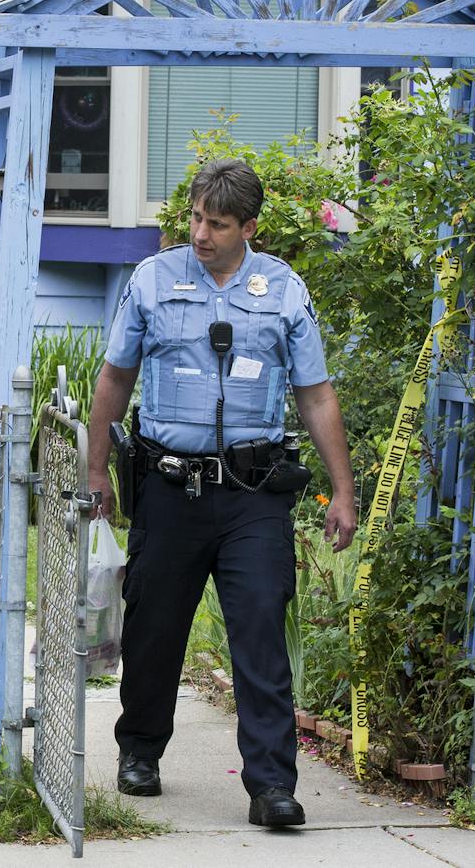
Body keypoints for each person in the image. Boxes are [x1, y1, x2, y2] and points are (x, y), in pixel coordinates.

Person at [85, 158, 357, 829]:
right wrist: (96, 471)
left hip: (253, 491)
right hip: (169, 486)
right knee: (153, 624)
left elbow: (316, 393)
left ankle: (270, 786)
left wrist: (343, 490)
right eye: (197, 217)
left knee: (262, 625)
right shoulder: (153, 280)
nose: (201, 233)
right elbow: (114, 378)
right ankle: (140, 750)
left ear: (249, 228)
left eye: (218, 223)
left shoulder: (284, 290)